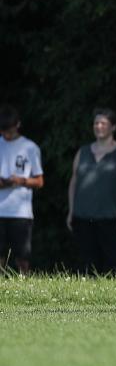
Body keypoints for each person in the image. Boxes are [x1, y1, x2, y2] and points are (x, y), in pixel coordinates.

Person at [67, 108, 116, 274]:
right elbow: (74, 181)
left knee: (115, 266)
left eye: (103, 123)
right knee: (86, 266)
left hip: (112, 219)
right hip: (83, 217)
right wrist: (71, 210)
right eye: (96, 123)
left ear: (113, 127)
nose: (98, 126)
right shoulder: (82, 152)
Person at [0, 105, 44, 274]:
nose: (6, 135)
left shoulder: (30, 148)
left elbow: (39, 181)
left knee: (22, 255)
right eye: (3, 131)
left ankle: (24, 284)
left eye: (9, 131)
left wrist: (22, 180)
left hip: (20, 212)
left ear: (18, 125)